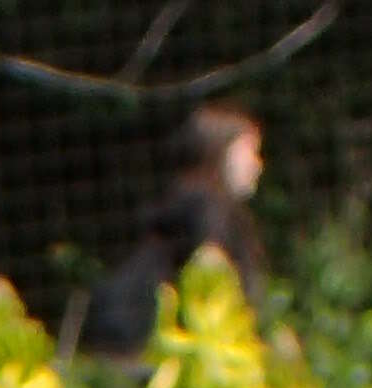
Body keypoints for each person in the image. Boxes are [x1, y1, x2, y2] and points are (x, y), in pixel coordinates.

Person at [76, 102, 267, 363]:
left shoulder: (187, 204)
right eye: (249, 152)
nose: (257, 164)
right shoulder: (208, 208)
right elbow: (209, 285)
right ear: (221, 153)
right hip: (154, 347)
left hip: (124, 337)